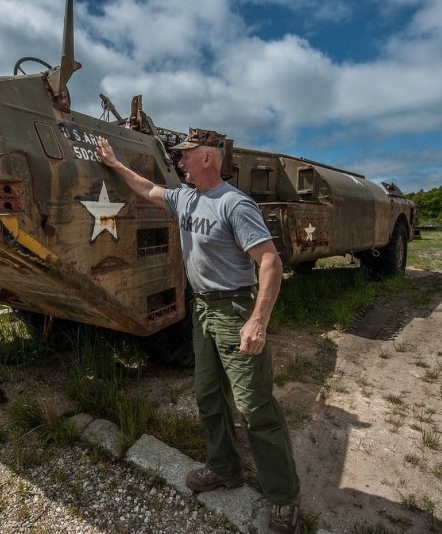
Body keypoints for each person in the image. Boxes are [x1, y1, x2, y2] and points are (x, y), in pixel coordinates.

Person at [96, 129, 301, 534]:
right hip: (203, 309)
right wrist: (115, 164)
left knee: (254, 405)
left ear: (208, 157)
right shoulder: (185, 197)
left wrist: (258, 320)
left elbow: (270, 263)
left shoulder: (234, 204)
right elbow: (149, 190)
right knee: (208, 396)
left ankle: (284, 497)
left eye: (185, 155)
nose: (179, 161)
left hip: (234, 308)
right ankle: (226, 469)